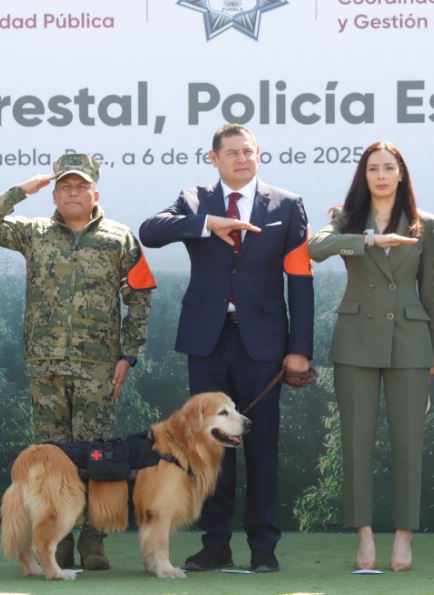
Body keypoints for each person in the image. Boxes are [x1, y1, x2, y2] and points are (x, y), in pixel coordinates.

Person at [139, 123, 313, 573]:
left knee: (262, 451)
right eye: (232, 152)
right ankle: (215, 545)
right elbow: (150, 232)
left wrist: (300, 348)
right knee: (209, 450)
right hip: (208, 342)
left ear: (258, 156)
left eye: (248, 152)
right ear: (213, 159)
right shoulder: (194, 200)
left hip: (264, 346)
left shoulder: (288, 204)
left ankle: (263, 550)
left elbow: (301, 281)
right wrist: (205, 223)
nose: (241, 159)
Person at [0, 152, 155, 570]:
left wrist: (129, 353)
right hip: (47, 366)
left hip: (98, 368)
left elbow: (139, 295)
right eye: (65, 187)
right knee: (53, 460)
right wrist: (22, 189)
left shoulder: (119, 237)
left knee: (99, 458)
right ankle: (59, 540)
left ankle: (94, 542)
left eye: (81, 187)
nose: (73, 194)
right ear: (53, 194)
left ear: (95, 193)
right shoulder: (34, 233)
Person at [307, 141, 434, 572]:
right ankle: (363, 536)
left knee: (408, 444)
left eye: (389, 167)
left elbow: (429, 291)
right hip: (356, 341)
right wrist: (369, 239)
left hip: (411, 343)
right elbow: (316, 249)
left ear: (402, 174)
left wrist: (432, 354)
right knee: (356, 443)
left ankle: (405, 535)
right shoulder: (344, 221)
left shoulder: (425, 224)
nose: (381, 175)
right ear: (364, 177)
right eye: (372, 169)